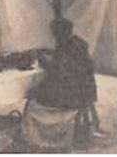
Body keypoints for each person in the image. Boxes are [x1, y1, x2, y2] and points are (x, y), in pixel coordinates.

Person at [23, 17, 98, 150]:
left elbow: (57, 76)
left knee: (31, 100)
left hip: (73, 96)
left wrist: (44, 63)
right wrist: (51, 54)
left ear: (58, 34)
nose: (53, 36)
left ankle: (38, 139)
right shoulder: (78, 43)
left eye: (54, 33)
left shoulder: (65, 49)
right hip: (86, 92)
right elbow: (65, 65)